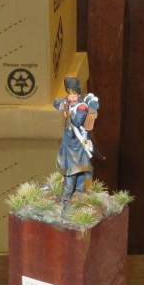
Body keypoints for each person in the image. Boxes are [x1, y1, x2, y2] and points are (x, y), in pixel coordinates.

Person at [52, 76, 99, 204]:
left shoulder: (81, 107)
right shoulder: (68, 102)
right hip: (68, 141)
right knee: (77, 168)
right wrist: (64, 104)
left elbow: (77, 122)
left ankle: (67, 196)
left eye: (74, 95)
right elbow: (55, 103)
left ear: (78, 94)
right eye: (70, 94)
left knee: (72, 170)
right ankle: (79, 190)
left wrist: (69, 112)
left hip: (77, 142)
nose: (72, 97)